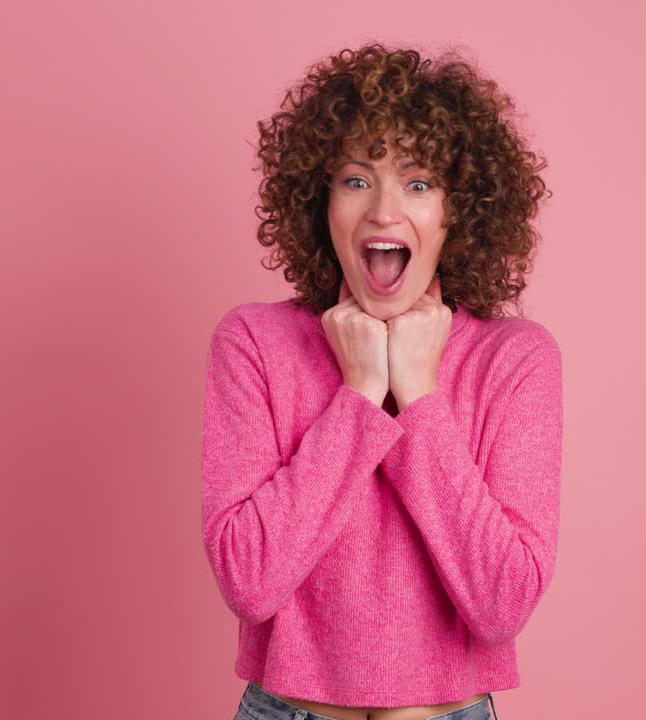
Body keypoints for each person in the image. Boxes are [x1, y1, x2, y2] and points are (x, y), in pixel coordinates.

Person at [202, 42, 560, 720]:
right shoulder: (254, 341)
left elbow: (501, 606)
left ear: (459, 211)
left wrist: (419, 395)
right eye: (356, 180)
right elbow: (248, 583)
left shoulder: (514, 358)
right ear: (321, 202)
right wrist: (359, 395)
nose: (384, 212)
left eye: (419, 183)